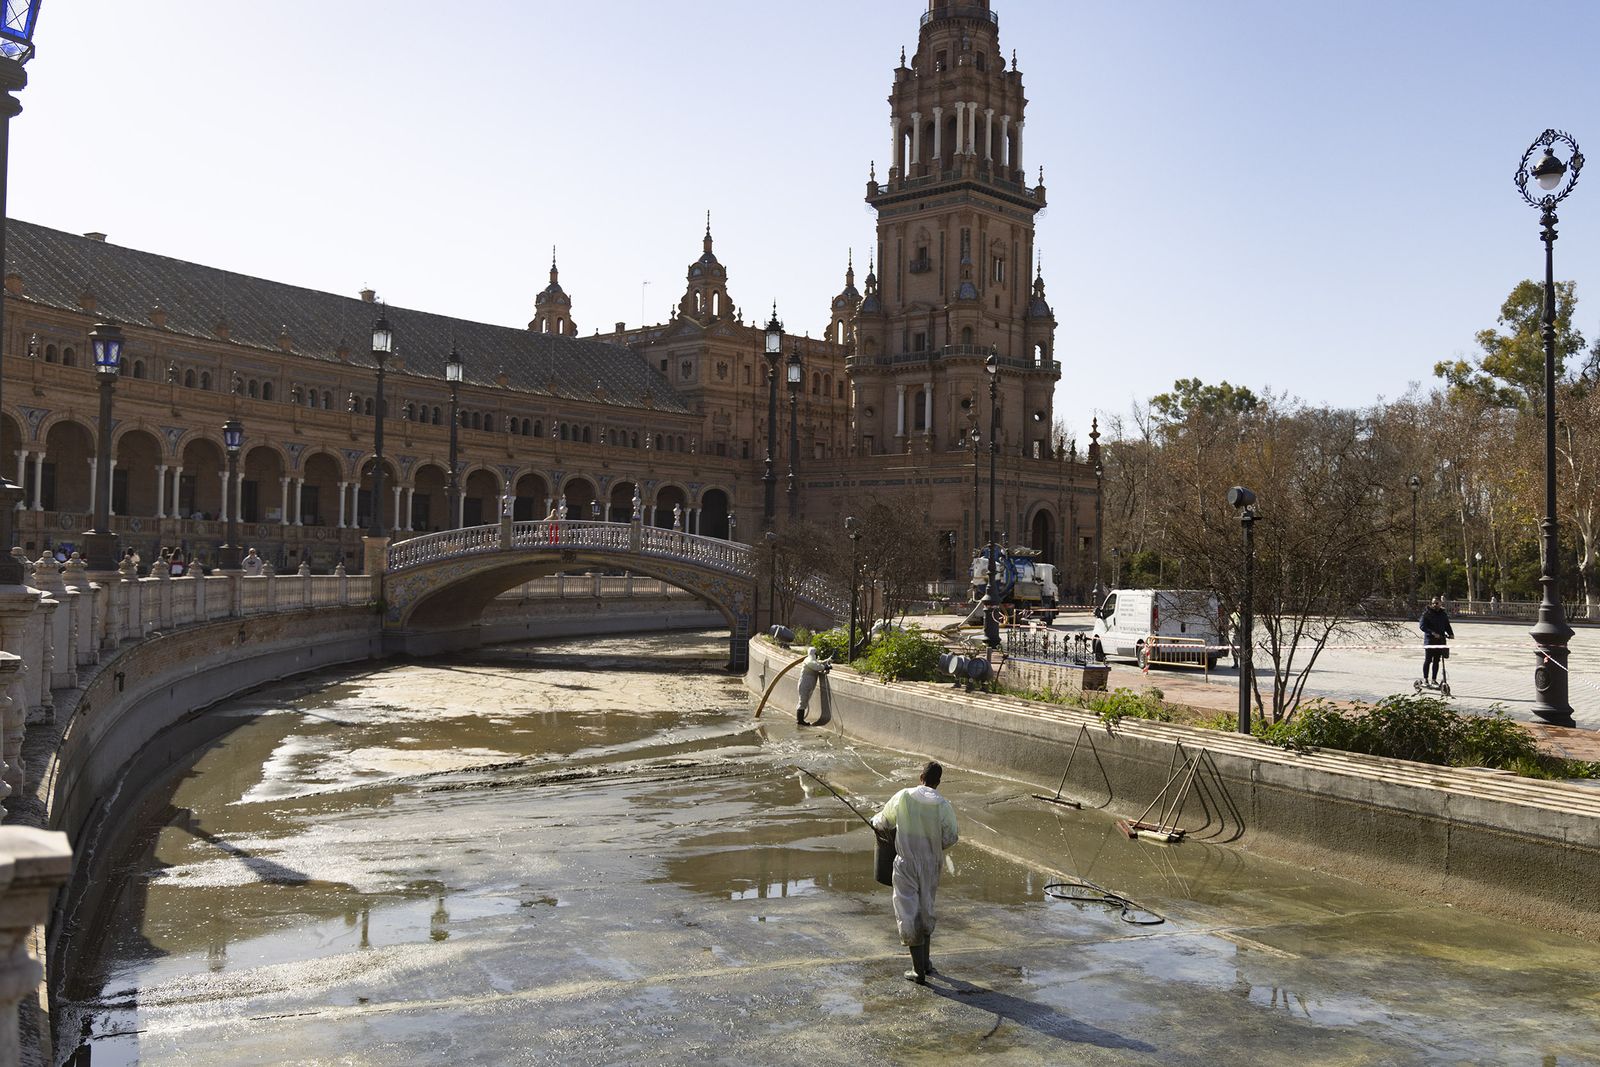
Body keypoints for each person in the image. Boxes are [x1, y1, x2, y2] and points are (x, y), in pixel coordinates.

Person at [870, 761, 959, 985]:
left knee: (907, 911)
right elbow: (951, 837)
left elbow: (882, 821)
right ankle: (926, 963)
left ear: (921, 777)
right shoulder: (943, 805)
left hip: (906, 863)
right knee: (926, 908)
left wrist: (874, 822)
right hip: (932, 864)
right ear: (938, 782)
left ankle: (918, 970)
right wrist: (932, 847)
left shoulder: (903, 796)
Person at [1419, 595, 1454, 684]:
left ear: (1440, 604)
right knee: (1428, 660)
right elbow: (1422, 626)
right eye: (1433, 603)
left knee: (1437, 661)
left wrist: (1451, 634)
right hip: (1430, 641)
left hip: (1440, 641)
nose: (1435, 605)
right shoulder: (1427, 613)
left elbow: (1447, 625)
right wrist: (1432, 633)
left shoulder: (1443, 614)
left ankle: (1434, 679)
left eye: (1437, 603)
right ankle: (1425, 678)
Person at [794, 645, 832, 726]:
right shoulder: (809, 660)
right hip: (805, 684)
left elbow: (818, 663)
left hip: (809, 684)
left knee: (804, 702)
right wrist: (824, 667)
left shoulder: (813, 660)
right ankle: (800, 721)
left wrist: (827, 661)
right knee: (802, 702)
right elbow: (815, 665)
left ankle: (800, 720)